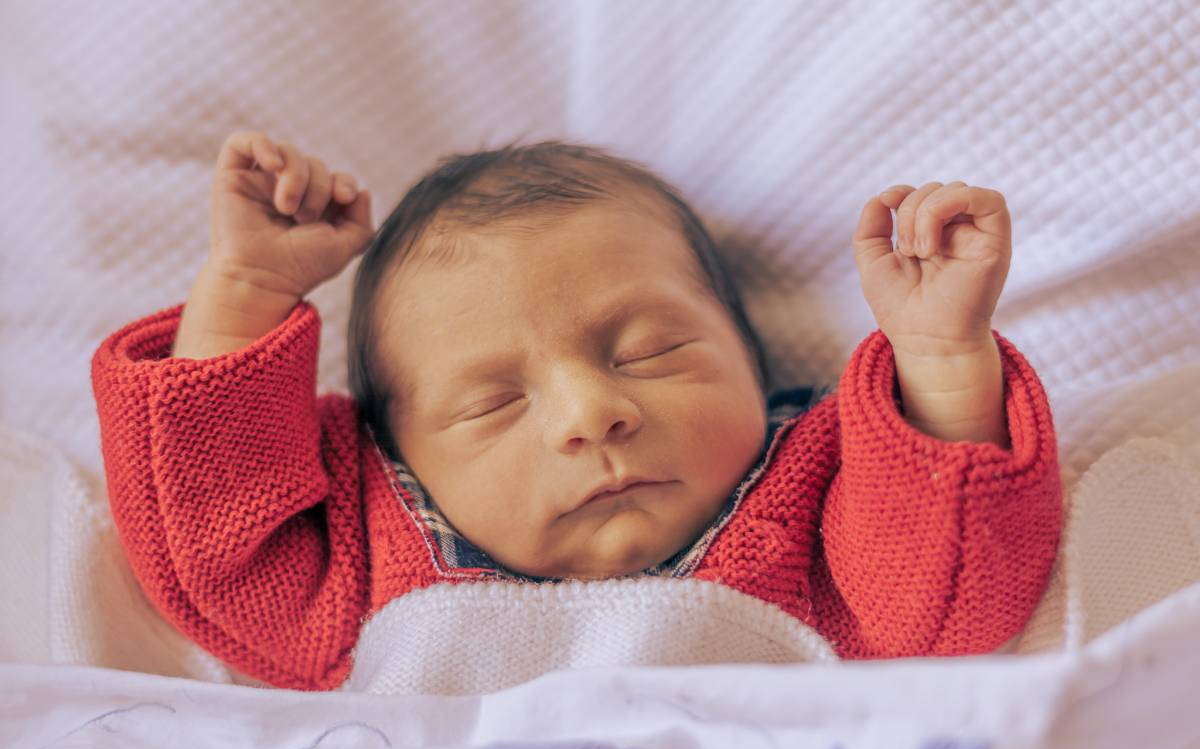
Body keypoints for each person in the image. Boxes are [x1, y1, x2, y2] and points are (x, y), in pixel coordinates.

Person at [91, 131, 1063, 690]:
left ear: (750, 359)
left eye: (650, 351)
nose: (590, 412)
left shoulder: (817, 507)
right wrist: (245, 289)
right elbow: (213, 540)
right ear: (395, 454)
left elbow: (944, 602)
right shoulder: (364, 558)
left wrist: (938, 357)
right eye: (491, 402)